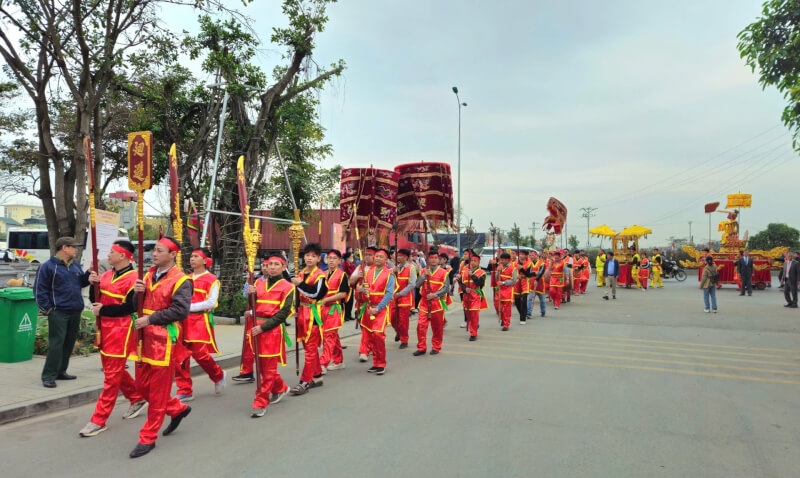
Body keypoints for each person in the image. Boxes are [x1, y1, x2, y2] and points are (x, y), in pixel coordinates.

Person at [129, 236, 192, 458]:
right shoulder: (147, 276)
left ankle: (148, 437)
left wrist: (152, 319)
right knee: (141, 387)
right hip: (143, 339)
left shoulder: (182, 280)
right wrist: (139, 292)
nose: (154, 254)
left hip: (164, 340)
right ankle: (177, 409)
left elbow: (181, 310)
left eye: (159, 251)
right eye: (154, 251)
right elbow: (136, 304)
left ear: (172, 254)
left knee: (157, 392)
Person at [79, 240, 146, 437]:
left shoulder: (135, 279)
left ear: (123, 255)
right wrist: (93, 285)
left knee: (111, 377)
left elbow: (130, 307)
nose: (108, 255)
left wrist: (104, 310)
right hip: (104, 329)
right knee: (112, 371)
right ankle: (136, 397)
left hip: (121, 330)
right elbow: (95, 300)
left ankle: (98, 420)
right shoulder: (106, 275)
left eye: (112, 252)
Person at [34, 236, 91, 388]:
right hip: (58, 311)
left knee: (68, 343)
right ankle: (48, 376)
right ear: (64, 248)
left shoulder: (75, 265)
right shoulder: (47, 266)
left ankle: (61, 371)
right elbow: (40, 290)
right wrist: (48, 310)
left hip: (75, 310)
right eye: (73, 247)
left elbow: (81, 283)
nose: (76, 249)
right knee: (56, 344)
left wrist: (89, 274)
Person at [173, 248, 226, 402]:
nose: (192, 259)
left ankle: (218, 375)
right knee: (180, 356)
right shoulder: (185, 278)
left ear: (205, 260)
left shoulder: (212, 279)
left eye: (196, 256)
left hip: (199, 321)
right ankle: (184, 389)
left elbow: (211, 302)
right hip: (182, 321)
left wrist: (188, 307)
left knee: (200, 354)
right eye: (191, 256)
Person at [245, 254, 294, 417]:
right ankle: (280, 388)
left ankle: (260, 402)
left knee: (268, 369)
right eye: (270, 264)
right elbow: (254, 305)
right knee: (261, 368)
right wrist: (251, 294)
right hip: (255, 328)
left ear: (283, 266)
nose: (272, 267)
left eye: (276, 264)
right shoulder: (258, 283)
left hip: (271, 331)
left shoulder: (288, 287)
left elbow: (283, 313)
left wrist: (263, 327)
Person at [290, 243, 328, 395]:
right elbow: (296, 295)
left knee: (310, 349)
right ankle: (317, 376)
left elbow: (315, 294)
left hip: (313, 314)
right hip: (302, 314)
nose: (309, 258)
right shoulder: (301, 273)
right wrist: (294, 308)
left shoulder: (320, 275)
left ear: (319, 258)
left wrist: (300, 285)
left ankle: (305, 381)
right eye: (307, 255)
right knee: (307, 347)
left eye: (313, 256)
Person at [359, 248, 394, 373]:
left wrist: (378, 308)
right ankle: (376, 362)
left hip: (381, 309)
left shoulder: (389, 275)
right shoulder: (368, 272)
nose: (378, 258)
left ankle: (381, 363)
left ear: (386, 260)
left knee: (378, 334)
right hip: (369, 308)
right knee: (370, 335)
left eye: (381, 257)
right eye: (377, 256)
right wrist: (363, 290)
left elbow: (389, 295)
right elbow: (363, 287)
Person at [413, 248, 451, 354]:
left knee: (437, 327)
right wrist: (424, 276)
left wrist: (434, 295)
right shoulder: (423, 271)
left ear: (438, 260)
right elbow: (417, 284)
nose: (433, 260)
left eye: (435, 258)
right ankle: (421, 347)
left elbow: (446, 288)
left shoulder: (444, 273)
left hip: (437, 303)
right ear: (428, 259)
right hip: (424, 303)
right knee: (421, 325)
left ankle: (436, 346)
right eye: (431, 258)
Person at [319, 249, 349, 373]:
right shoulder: (323, 274)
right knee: (332, 335)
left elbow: (343, 294)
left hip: (334, 308)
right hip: (322, 308)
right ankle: (339, 361)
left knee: (329, 335)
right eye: (329, 258)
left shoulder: (342, 275)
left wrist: (328, 299)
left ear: (339, 261)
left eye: (334, 258)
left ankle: (322, 363)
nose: (331, 261)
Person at [350, 246, 375, 362]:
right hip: (361, 303)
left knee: (372, 328)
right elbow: (351, 281)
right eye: (366, 255)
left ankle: (367, 348)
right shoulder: (360, 267)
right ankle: (365, 349)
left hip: (374, 304)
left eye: (370, 255)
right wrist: (357, 277)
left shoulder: (380, 269)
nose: (367, 257)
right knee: (364, 327)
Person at [456, 250, 488, 340]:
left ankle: (473, 333)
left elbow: (480, 283)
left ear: (478, 262)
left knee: (474, 314)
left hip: (476, 296)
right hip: (467, 295)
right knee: (468, 314)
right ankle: (474, 325)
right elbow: (461, 283)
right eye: (472, 261)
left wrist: (472, 275)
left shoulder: (482, 273)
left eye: (475, 261)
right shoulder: (465, 271)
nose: (473, 263)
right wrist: (464, 288)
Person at [391, 249, 416, 349]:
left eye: (400, 256)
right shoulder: (395, 268)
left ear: (406, 257)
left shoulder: (411, 268)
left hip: (405, 298)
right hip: (394, 298)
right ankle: (398, 332)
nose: (398, 257)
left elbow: (412, 284)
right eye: (398, 256)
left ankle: (404, 339)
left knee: (403, 321)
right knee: (392, 318)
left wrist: (400, 294)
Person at [496, 252, 516, 330]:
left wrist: (504, 282)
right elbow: (497, 277)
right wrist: (498, 271)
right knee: (499, 306)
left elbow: (514, 281)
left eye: (504, 260)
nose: (502, 261)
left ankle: (506, 324)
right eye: (501, 260)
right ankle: (503, 319)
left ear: (508, 260)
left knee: (507, 309)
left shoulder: (513, 268)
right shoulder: (500, 267)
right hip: (500, 290)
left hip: (508, 290)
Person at [513, 250, 533, 324]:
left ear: (526, 256)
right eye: (520, 254)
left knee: (524, 299)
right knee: (517, 299)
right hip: (517, 281)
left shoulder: (529, 263)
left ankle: (522, 318)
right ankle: (522, 313)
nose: (521, 256)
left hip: (525, 281)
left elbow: (529, 274)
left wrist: (521, 268)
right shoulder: (515, 263)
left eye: (522, 254)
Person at [527, 250, 547, 317]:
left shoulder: (542, 263)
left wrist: (537, 279)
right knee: (530, 298)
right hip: (532, 283)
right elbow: (528, 273)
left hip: (540, 283)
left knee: (542, 300)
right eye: (530, 255)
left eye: (532, 255)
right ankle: (529, 312)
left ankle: (543, 311)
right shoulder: (530, 264)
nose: (531, 257)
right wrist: (534, 274)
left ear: (536, 256)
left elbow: (541, 273)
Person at [342, 252, 357, 321]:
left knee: (351, 301)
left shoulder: (353, 265)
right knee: (346, 301)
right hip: (346, 284)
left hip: (352, 285)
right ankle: (345, 315)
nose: (352, 258)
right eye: (350, 257)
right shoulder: (344, 265)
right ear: (347, 258)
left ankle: (349, 314)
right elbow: (344, 274)